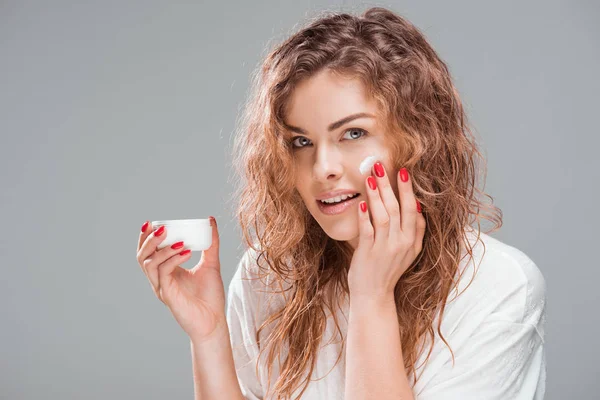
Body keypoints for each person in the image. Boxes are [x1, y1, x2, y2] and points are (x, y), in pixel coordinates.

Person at [135, 7, 546, 400]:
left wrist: (371, 296)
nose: (322, 168)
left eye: (352, 134)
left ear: (418, 139)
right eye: (301, 142)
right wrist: (208, 336)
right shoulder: (267, 276)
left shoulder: (499, 287)